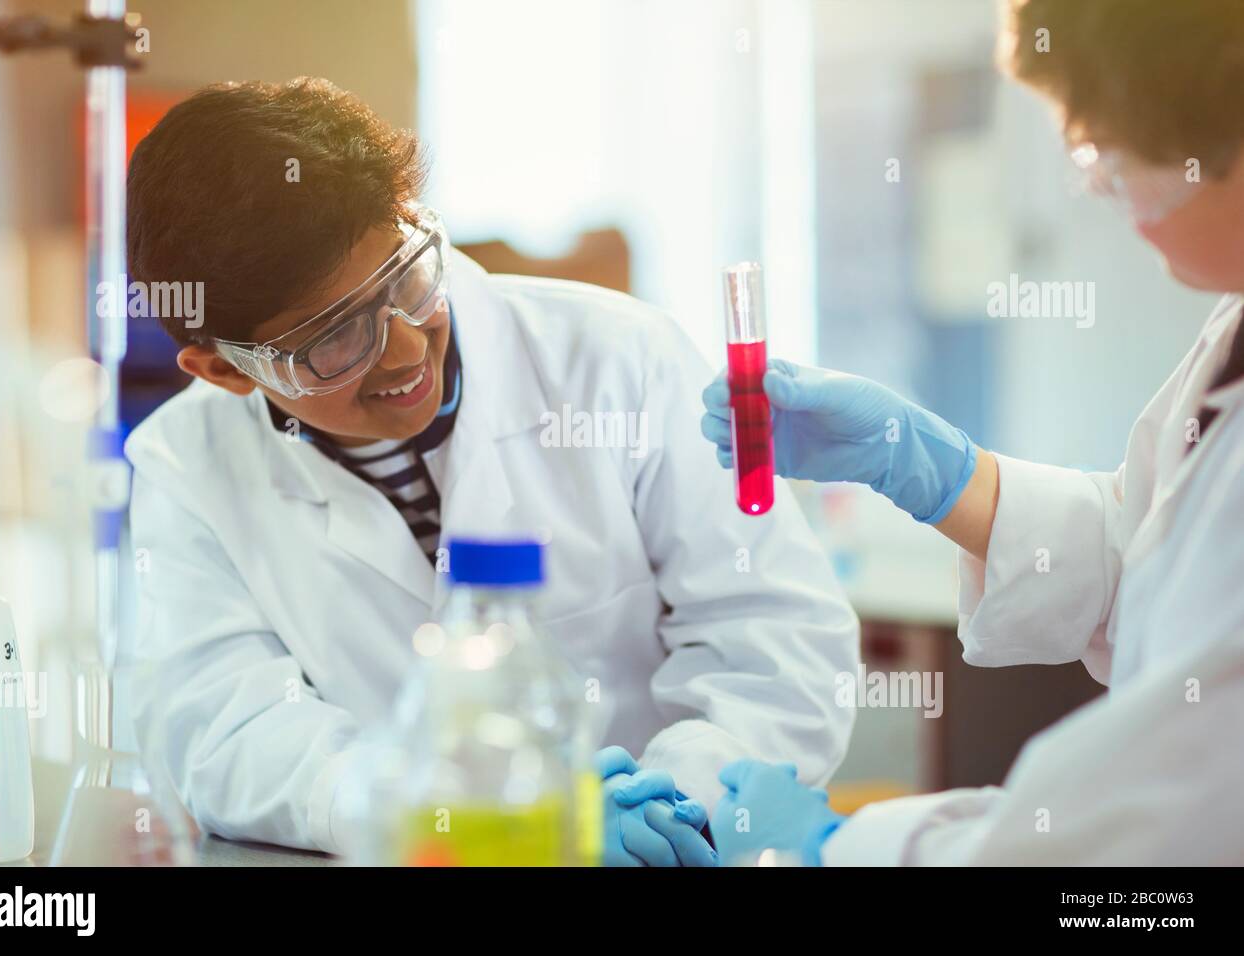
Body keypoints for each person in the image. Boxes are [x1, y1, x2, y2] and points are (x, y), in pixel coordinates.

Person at [123, 78, 860, 865]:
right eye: (335, 339)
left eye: (404, 279)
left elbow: (775, 641)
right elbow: (225, 733)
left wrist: (681, 799)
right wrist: (450, 818)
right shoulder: (185, 466)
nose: (406, 352)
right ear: (226, 371)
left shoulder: (622, 362)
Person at [701, 0, 1244, 866]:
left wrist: (836, 849)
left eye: (1110, 156)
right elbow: (1146, 554)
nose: (1102, 190)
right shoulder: (1233, 328)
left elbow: (1148, 837)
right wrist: (933, 469)